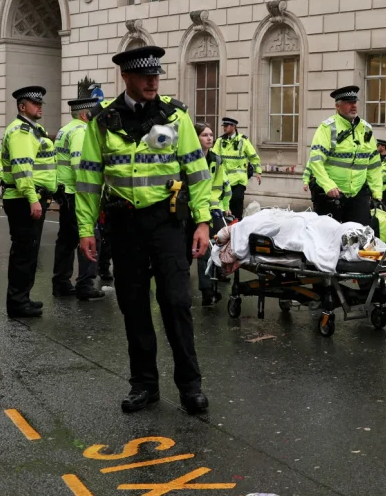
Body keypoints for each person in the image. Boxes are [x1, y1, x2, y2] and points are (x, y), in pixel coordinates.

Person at [76, 45, 213, 415]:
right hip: (124, 224)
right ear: (126, 77)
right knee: (133, 306)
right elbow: (88, 179)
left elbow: (197, 172)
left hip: (167, 222)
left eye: (156, 75)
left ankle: (190, 386)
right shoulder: (103, 122)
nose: (153, 81)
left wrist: (202, 221)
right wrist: (86, 228)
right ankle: (144, 385)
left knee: (176, 303)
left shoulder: (175, 116)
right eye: (145, 76)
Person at [0, 87, 51, 318]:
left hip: (27, 197)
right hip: (24, 199)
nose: (40, 106)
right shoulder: (22, 131)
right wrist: (33, 198)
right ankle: (18, 303)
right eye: (34, 103)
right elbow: (21, 168)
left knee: (28, 251)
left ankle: (22, 298)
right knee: (24, 252)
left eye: (40, 103)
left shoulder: (33, 130)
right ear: (22, 107)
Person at [52, 97, 105, 301]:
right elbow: (79, 165)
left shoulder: (65, 130)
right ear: (85, 115)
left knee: (66, 239)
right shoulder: (82, 131)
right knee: (91, 238)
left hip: (66, 191)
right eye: (94, 113)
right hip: (77, 193)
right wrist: (91, 193)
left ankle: (61, 282)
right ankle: (85, 283)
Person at [306, 86, 382, 225]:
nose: (353, 105)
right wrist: (328, 186)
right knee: (328, 238)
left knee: (359, 236)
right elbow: (316, 161)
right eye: (348, 102)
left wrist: (377, 192)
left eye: (354, 102)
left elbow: (374, 164)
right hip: (331, 194)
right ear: (337, 106)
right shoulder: (327, 127)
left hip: (358, 193)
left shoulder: (366, 129)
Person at [192, 122, 230, 305]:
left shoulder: (216, 160)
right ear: (195, 137)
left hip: (207, 210)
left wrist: (218, 207)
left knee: (208, 248)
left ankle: (207, 291)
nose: (209, 138)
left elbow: (219, 186)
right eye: (204, 135)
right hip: (189, 209)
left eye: (211, 134)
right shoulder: (189, 158)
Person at [212, 116, 261, 220]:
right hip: (224, 180)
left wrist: (258, 172)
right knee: (225, 204)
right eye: (224, 126)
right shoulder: (220, 141)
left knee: (237, 202)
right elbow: (213, 157)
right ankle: (227, 226)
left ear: (234, 126)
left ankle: (237, 224)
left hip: (239, 179)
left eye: (226, 126)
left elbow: (253, 156)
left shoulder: (243, 140)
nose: (224, 128)